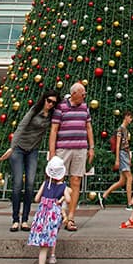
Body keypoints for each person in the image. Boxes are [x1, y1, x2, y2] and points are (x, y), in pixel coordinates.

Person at [0, 88, 60, 232]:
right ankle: (15, 219)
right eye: (49, 100)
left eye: (53, 103)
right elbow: (21, 127)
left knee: (30, 184)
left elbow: (55, 130)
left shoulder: (51, 116)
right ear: (44, 99)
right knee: (18, 183)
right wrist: (12, 147)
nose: (50, 104)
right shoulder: (34, 110)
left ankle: (25, 219)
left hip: (33, 150)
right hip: (19, 149)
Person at [48, 81, 95, 232]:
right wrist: (52, 153)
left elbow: (88, 127)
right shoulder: (61, 107)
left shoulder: (85, 107)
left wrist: (91, 147)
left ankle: (71, 217)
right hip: (63, 149)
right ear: (75, 94)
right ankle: (58, 214)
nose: (85, 96)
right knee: (58, 182)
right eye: (83, 93)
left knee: (76, 181)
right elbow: (54, 130)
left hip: (80, 149)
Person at [27, 155, 72, 264]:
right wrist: (61, 198)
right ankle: (51, 256)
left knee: (43, 243)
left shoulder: (45, 183)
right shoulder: (63, 187)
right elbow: (69, 200)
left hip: (42, 215)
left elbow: (37, 198)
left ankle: (44, 259)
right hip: (53, 216)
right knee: (52, 234)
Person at [98, 110, 133, 210]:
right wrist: (117, 159)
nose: (131, 120)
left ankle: (104, 195)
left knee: (122, 181)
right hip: (122, 154)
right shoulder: (120, 129)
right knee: (129, 178)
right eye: (130, 117)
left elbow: (126, 144)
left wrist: (129, 156)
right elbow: (118, 145)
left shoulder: (125, 129)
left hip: (125, 154)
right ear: (126, 116)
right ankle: (129, 203)